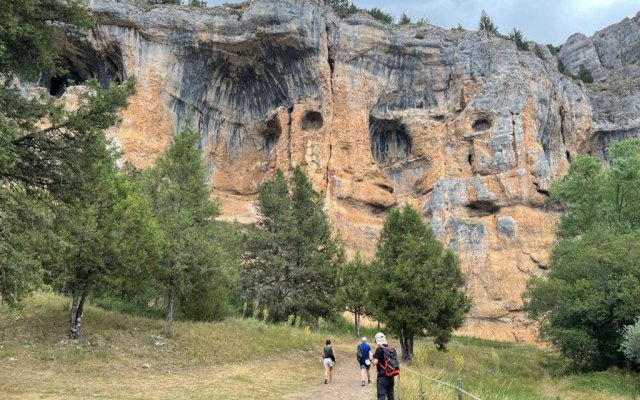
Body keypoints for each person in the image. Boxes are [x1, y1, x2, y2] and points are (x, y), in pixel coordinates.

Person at [372, 332, 398, 400]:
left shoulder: (379, 349)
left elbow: (375, 362)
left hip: (382, 376)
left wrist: (371, 358)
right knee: (390, 396)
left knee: (381, 396)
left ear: (376, 340)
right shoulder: (392, 349)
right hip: (391, 375)